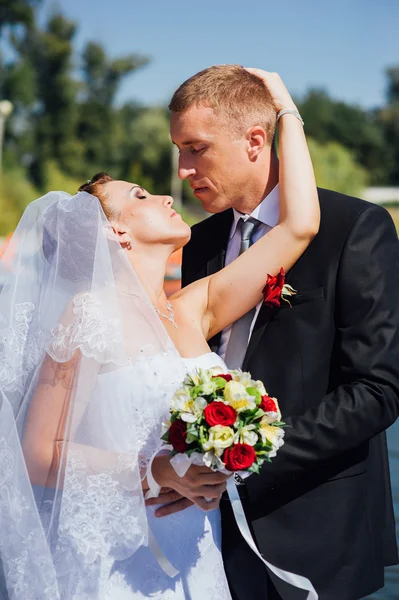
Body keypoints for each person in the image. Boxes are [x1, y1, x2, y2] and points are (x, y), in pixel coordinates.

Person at [0, 73, 318, 599]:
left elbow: (299, 225)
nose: (168, 192)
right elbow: (36, 453)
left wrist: (283, 109)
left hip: (196, 546)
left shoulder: (190, 310)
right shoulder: (87, 313)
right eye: (141, 195)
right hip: (122, 557)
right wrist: (155, 469)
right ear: (114, 231)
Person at [155, 65, 399, 600]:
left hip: (318, 530)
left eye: (196, 148)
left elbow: (377, 391)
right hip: (210, 529)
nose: (183, 168)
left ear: (255, 141)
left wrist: (243, 458)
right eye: (179, 150)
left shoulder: (354, 228)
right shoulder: (199, 242)